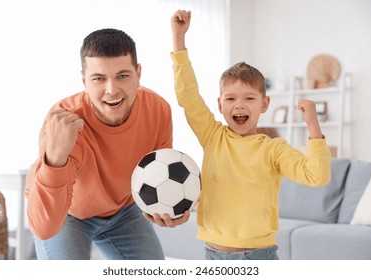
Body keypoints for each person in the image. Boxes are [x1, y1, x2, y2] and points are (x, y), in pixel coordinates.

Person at [170, 10, 331, 260]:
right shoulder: (213, 136)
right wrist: (179, 39)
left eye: (249, 98)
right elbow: (188, 97)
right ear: (220, 105)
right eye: (231, 99)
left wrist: (313, 126)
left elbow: (316, 176)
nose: (240, 105)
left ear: (264, 104)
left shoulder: (273, 149)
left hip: (259, 256)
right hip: (213, 253)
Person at [25, 28, 188, 260]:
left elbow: (157, 176)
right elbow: (44, 228)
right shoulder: (64, 122)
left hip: (123, 211)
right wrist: (55, 157)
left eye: (122, 76)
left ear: (138, 73)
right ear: (84, 81)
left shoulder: (159, 110)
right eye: (99, 78)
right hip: (69, 214)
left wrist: (167, 208)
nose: (112, 90)